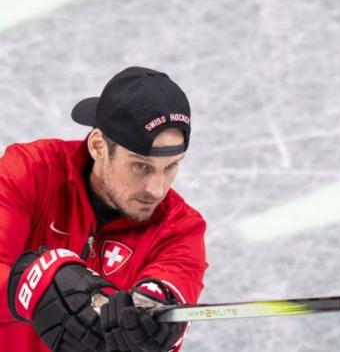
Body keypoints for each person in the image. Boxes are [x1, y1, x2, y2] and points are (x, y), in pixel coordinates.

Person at [0, 66, 208, 351]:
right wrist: (37, 284)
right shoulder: (30, 172)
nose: (156, 189)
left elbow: (174, 283)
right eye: (140, 166)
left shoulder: (180, 228)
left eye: (171, 166)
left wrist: (155, 316)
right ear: (98, 145)